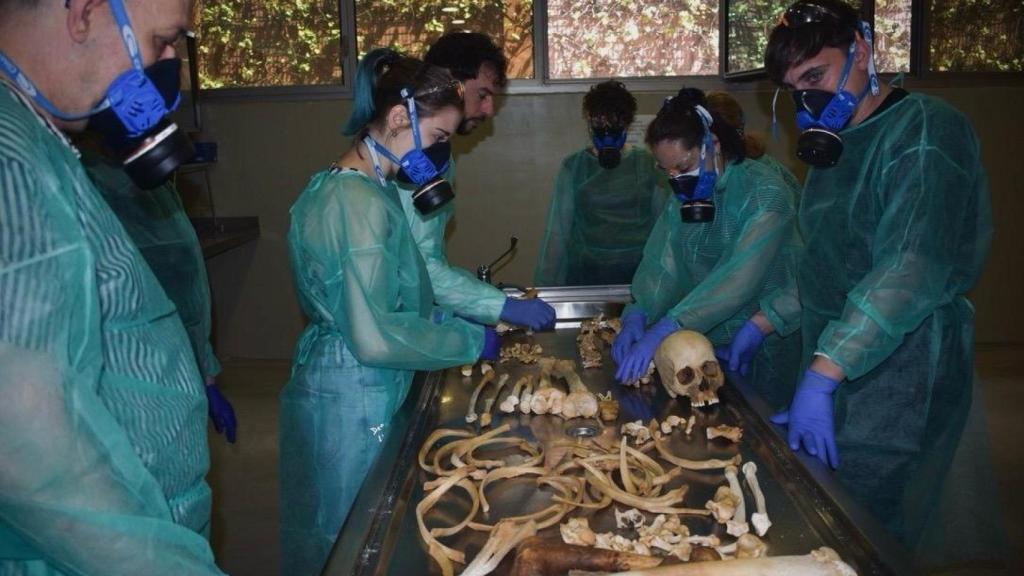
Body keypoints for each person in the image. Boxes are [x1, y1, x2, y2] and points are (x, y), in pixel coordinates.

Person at [718, 0, 1001, 567]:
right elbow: (823, 266)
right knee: (831, 513)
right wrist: (763, 320)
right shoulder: (834, 155)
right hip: (836, 358)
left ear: (863, 51)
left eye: (816, 78)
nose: (809, 102)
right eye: (795, 91)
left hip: (905, 371)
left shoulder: (925, 131)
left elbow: (909, 268)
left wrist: (822, 376)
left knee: (877, 530)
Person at [0, 0, 224, 573]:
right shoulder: (10, 159)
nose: (170, 63)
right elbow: (30, 453)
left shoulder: (39, 139)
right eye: (163, 40)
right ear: (85, 13)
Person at [279, 49, 499, 576]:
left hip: (364, 377)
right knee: (356, 539)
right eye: (440, 138)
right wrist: (466, 342)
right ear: (400, 119)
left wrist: (436, 322)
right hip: (354, 390)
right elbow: (374, 335)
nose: (441, 152)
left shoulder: (365, 188)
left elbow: (388, 294)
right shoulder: (352, 202)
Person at [612, 87, 803, 411]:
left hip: (769, 338)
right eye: (667, 172)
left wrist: (665, 327)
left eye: (684, 167)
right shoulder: (684, 201)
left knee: (762, 422)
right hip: (704, 342)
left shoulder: (765, 194)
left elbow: (737, 281)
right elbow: (662, 265)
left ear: (712, 145)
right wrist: (638, 312)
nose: (676, 181)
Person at [392, 31, 556, 330]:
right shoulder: (412, 158)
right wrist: (497, 305)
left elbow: (424, 257)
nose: (489, 110)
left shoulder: (436, 154)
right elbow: (417, 267)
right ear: (448, 85)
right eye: (482, 95)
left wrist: (478, 299)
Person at [82, 149, 238, 443]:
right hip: (124, 375)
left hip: (179, 366)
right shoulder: (89, 182)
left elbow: (191, 294)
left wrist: (207, 378)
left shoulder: (157, 187)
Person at [534, 80, 671, 286]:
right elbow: (557, 235)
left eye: (614, 123)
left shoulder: (648, 165)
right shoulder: (574, 167)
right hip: (585, 278)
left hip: (638, 279)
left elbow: (663, 229)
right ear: (589, 122)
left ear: (627, 123)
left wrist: (661, 286)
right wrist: (544, 291)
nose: (607, 131)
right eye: (600, 123)